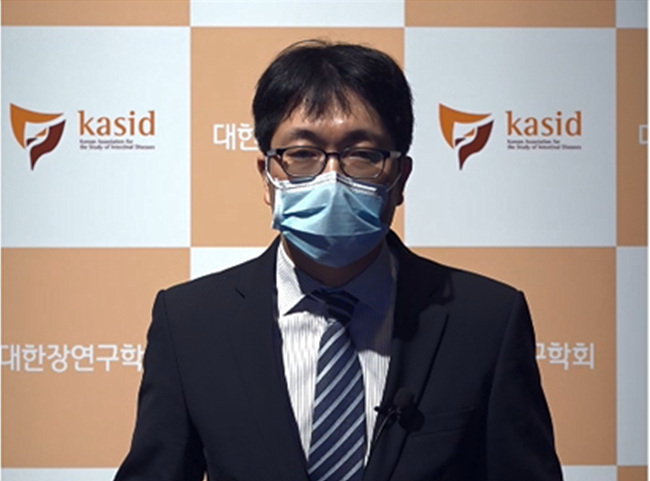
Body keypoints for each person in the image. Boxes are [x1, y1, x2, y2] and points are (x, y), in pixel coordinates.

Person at [114, 40, 563, 481]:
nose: (332, 177)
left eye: (362, 155)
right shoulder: (190, 322)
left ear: (400, 177)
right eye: (302, 154)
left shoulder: (485, 320)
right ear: (267, 176)